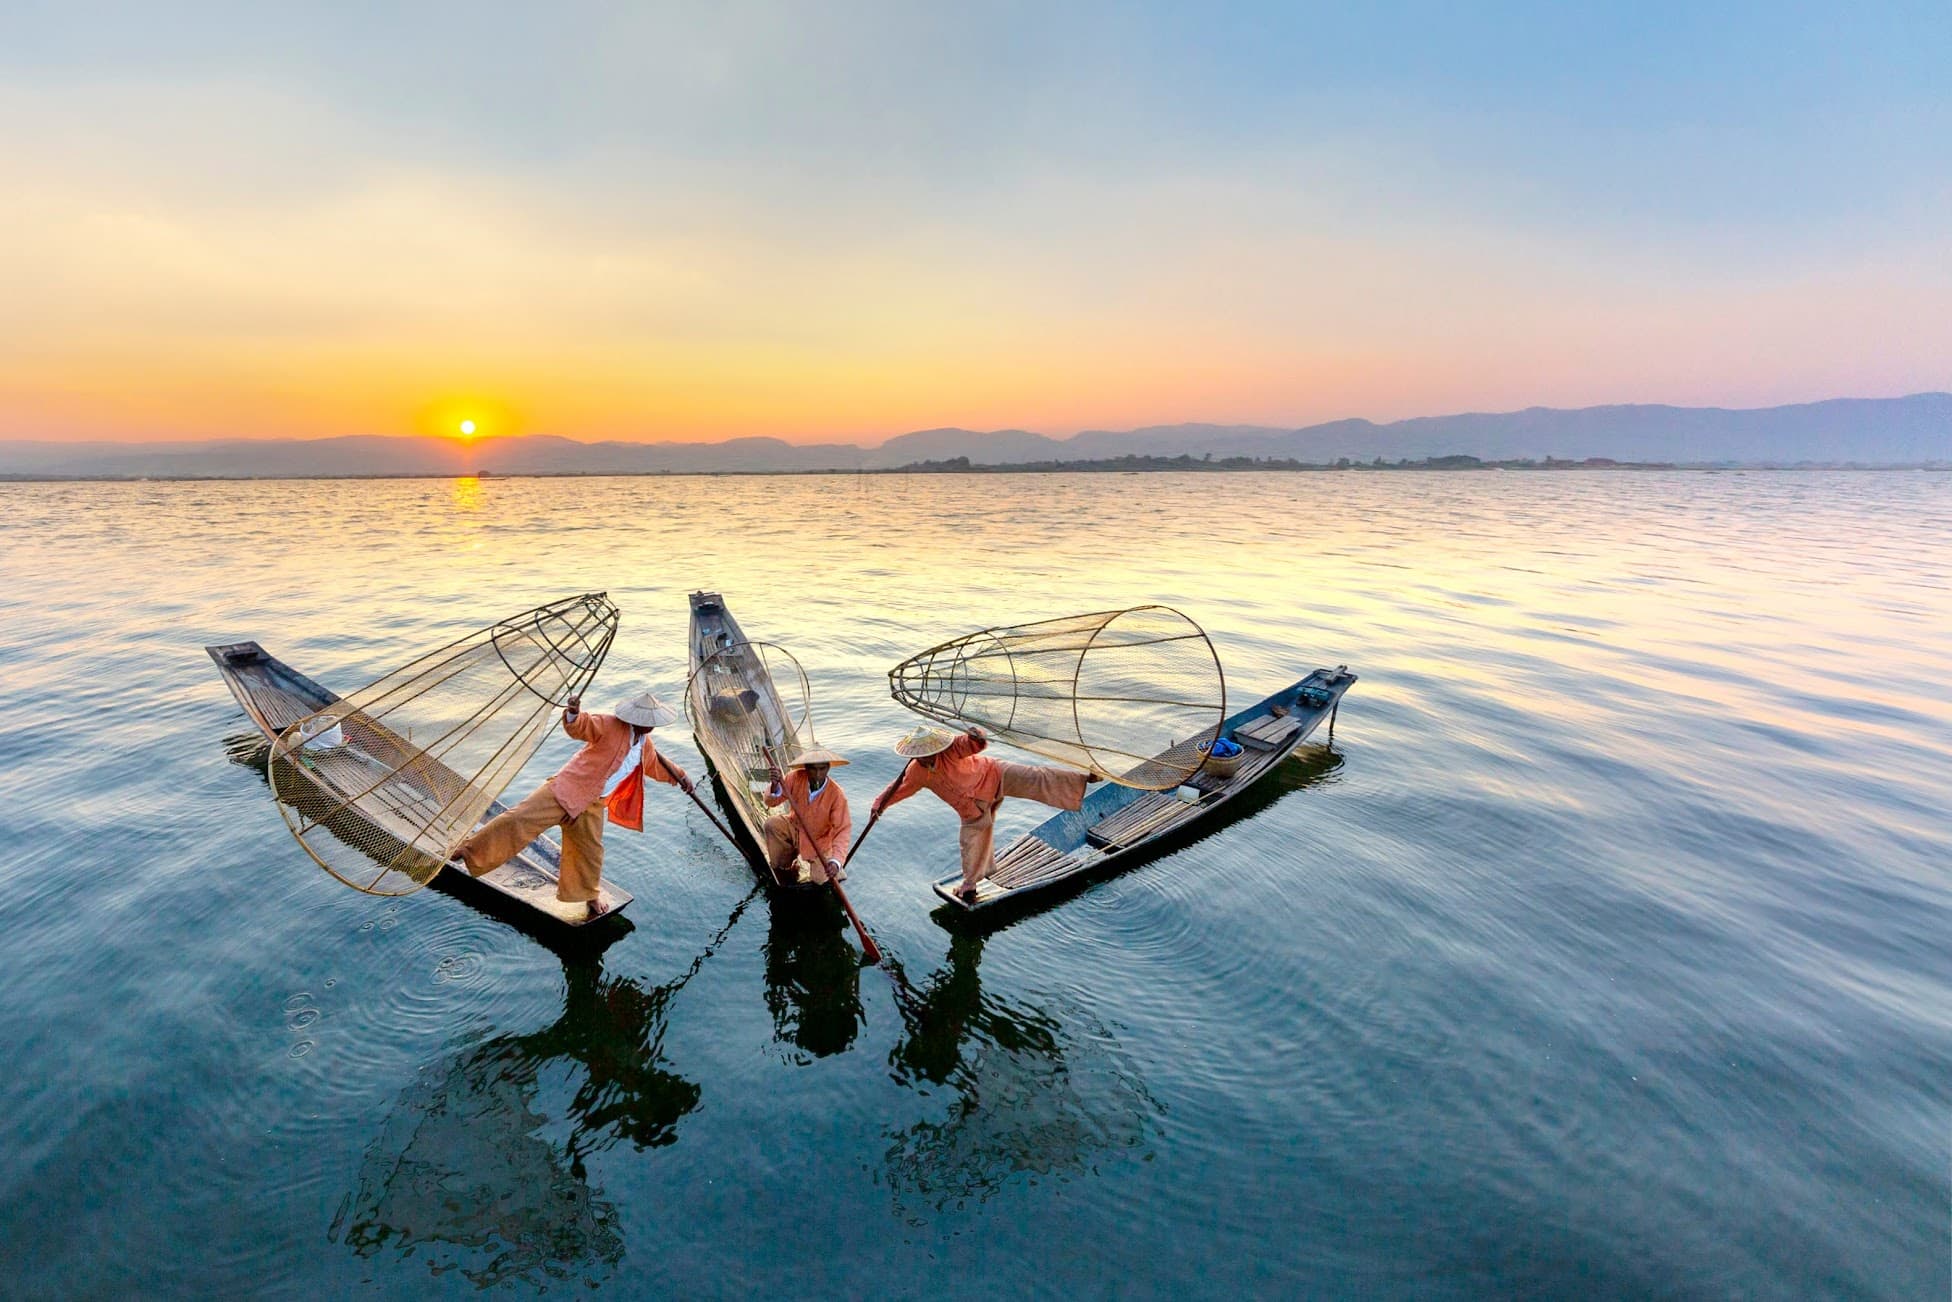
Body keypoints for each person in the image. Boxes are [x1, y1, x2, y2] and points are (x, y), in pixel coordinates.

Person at [453, 690, 690, 922]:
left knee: (590, 852)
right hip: (565, 789)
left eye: (651, 723)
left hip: (593, 803)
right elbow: (582, 725)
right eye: (644, 722)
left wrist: (681, 778)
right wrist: (574, 713)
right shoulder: (610, 725)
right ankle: (469, 850)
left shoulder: (644, 744)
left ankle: (589, 896)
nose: (648, 726)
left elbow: (657, 765)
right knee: (519, 819)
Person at [870, 724, 1096, 903]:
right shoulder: (916, 772)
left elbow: (972, 744)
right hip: (971, 808)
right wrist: (879, 806)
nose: (927, 757)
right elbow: (897, 789)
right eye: (923, 755)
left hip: (992, 775)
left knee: (1034, 776)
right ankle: (969, 885)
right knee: (970, 843)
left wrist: (976, 735)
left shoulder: (950, 749)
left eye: (930, 752)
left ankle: (1083, 778)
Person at [761, 745, 852, 886]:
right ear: (806, 768)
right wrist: (775, 785)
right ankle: (786, 865)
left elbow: (843, 830)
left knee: (821, 880)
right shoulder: (795, 777)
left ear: (828, 768)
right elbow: (771, 802)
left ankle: (836, 869)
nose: (817, 774)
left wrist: (836, 860)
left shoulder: (837, 794)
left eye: (822, 769)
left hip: (820, 841)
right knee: (772, 825)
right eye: (813, 769)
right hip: (794, 826)